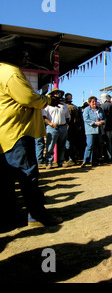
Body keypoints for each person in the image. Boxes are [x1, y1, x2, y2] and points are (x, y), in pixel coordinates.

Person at [0, 34, 63, 227]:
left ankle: (11, 216)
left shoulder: (3, 70)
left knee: (9, 179)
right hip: (18, 132)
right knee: (28, 176)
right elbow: (28, 99)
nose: (27, 57)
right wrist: (48, 100)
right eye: (24, 53)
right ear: (12, 54)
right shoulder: (11, 73)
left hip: (7, 132)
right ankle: (36, 216)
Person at [42, 87, 70, 169]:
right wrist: (50, 123)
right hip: (52, 127)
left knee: (62, 145)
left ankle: (60, 161)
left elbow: (67, 116)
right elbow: (44, 116)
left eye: (59, 93)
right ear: (52, 94)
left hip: (63, 126)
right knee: (50, 146)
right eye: (56, 93)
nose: (58, 94)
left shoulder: (64, 105)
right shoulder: (47, 105)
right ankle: (49, 162)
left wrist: (66, 124)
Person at [81, 96, 105, 167]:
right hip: (90, 130)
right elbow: (86, 119)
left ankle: (94, 161)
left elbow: (104, 117)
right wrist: (94, 123)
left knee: (96, 146)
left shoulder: (100, 109)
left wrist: (102, 121)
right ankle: (85, 160)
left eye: (95, 101)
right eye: (92, 102)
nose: (94, 103)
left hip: (99, 130)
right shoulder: (86, 110)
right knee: (90, 145)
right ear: (89, 103)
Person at [64, 92, 81, 166]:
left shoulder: (67, 107)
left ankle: (70, 159)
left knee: (68, 144)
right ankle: (71, 158)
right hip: (74, 128)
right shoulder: (74, 107)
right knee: (71, 144)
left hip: (70, 128)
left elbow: (70, 119)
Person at [100, 93, 112, 162]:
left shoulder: (102, 106)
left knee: (106, 142)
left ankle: (107, 157)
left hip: (104, 126)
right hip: (111, 126)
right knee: (110, 142)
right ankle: (111, 156)